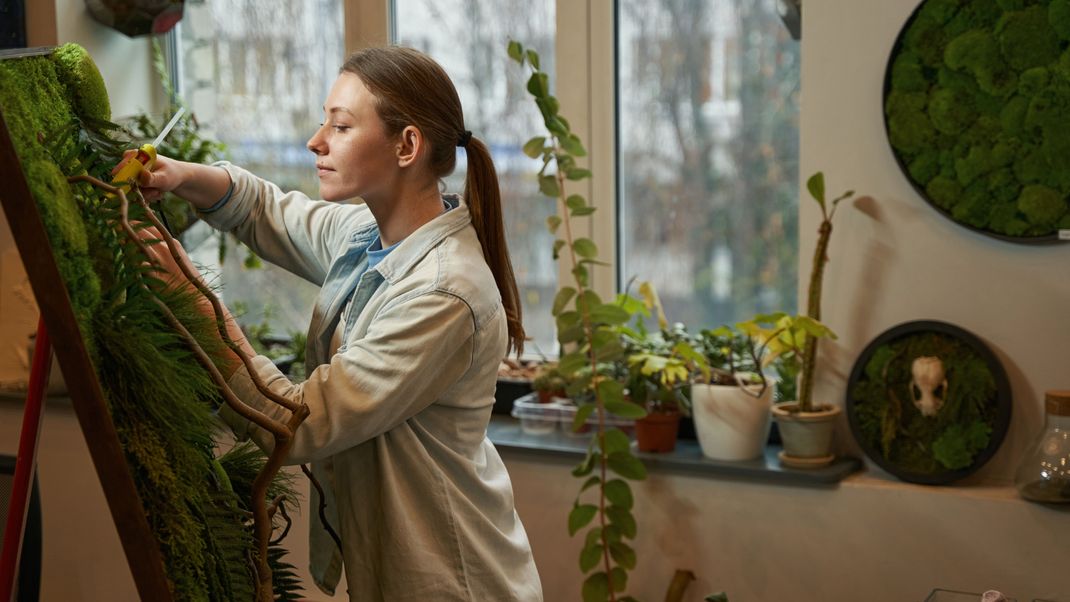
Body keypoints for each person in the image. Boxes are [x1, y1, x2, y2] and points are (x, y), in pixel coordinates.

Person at [131, 46, 543, 601]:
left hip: (455, 582)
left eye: (341, 126)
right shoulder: (369, 237)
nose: (316, 141)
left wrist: (193, 298)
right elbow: (267, 212)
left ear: (408, 145)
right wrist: (180, 176)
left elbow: (299, 424)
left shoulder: (445, 293)